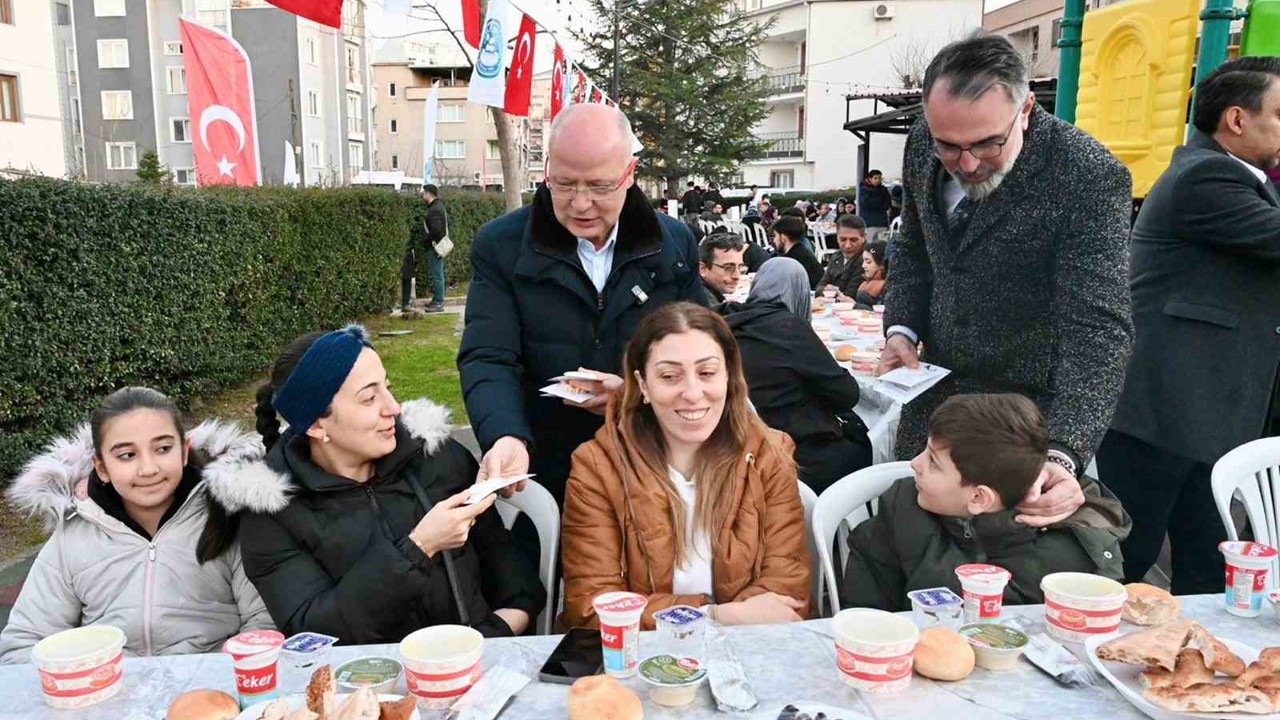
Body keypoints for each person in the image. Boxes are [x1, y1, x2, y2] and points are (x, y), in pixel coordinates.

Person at [879, 34, 1132, 528]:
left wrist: (1063, 452)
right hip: (935, 405)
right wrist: (901, 330)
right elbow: (914, 246)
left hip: (1026, 420)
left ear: (1026, 110)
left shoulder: (1088, 176)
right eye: (948, 146)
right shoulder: (919, 144)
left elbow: (1098, 328)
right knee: (906, 549)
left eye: (987, 144)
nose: (967, 164)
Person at [458, 104, 705, 508]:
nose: (580, 203)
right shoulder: (501, 245)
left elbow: (699, 358)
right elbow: (488, 355)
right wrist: (505, 434)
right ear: (547, 170)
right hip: (544, 461)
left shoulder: (673, 244)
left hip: (650, 459)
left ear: (630, 175)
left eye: (599, 186)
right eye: (564, 184)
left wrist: (634, 397)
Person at [1097, 57, 1280, 594]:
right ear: (1238, 120)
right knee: (1125, 560)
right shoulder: (1205, 175)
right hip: (1165, 409)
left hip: (1207, 411)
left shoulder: (1243, 179)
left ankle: (1193, 668)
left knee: (1207, 564)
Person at [235, 325, 545, 642]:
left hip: (478, 660)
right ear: (316, 424)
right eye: (369, 398)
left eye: (387, 387)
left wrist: (491, 636)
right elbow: (317, 632)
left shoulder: (435, 457)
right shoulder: (272, 512)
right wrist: (419, 547)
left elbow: (511, 574)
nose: (394, 407)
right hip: (367, 683)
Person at [561, 302, 811, 630]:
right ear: (644, 385)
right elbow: (592, 606)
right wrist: (715, 616)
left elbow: (786, 592)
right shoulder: (596, 467)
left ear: (730, 377)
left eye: (707, 373)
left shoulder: (770, 455)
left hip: (748, 654)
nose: (693, 393)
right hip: (637, 660)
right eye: (669, 376)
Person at [0, 387, 273, 664]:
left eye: (163, 449)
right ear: (102, 467)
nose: (148, 469)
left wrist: (220, 681)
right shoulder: (73, 535)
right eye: (127, 455)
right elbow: (24, 643)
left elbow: (264, 624)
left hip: (213, 689)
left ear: (183, 452)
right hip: (105, 694)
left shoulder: (228, 519)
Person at [841, 394, 1130, 612]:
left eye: (933, 461)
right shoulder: (902, 505)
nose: (915, 464)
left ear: (979, 498)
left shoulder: (1068, 550)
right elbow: (864, 606)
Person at [721, 259, 872, 492]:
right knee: (859, 439)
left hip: (734, 437)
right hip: (788, 449)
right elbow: (847, 394)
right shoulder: (788, 328)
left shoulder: (726, 318)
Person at [817, 214, 867, 299]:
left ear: (864, 237)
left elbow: (850, 295)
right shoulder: (836, 256)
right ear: (836, 237)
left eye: (853, 240)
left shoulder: (867, 260)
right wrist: (825, 289)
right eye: (843, 239)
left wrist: (828, 291)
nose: (847, 245)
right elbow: (819, 287)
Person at [770, 216, 822, 290]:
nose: (774, 240)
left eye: (775, 236)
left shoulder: (792, 260)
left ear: (783, 237)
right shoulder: (800, 252)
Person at [421, 184, 448, 313]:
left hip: (435, 247)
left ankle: (438, 302)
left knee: (437, 275)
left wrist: (426, 238)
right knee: (437, 273)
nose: (423, 195)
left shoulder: (435, 209)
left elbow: (436, 230)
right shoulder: (437, 207)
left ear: (429, 194)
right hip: (436, 245)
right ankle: (437, 299)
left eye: (424, 192)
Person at [698, 233, 747, 305]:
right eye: (728, 268)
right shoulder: (704, 307)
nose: (736, 276)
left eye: (740, 267)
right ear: (703, 269)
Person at [856, 169, 892, 240]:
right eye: (875, 178)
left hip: (882, 223)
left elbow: (888, 203)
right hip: (870, 223)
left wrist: (880, 204)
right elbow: (867, 204)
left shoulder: (883, 189)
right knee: (871, 247)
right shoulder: (864, 190)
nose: (878, 180)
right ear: (870, 179)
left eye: (879, 178)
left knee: (883, 245)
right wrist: (880, 202)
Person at [854, 240, 889, 309]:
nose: (863, 266)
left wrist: (854, 305)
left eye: (868, 262)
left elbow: (883, 312)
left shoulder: (887, 288)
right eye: (863, 261)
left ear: (881, 265)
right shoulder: (863, 281)